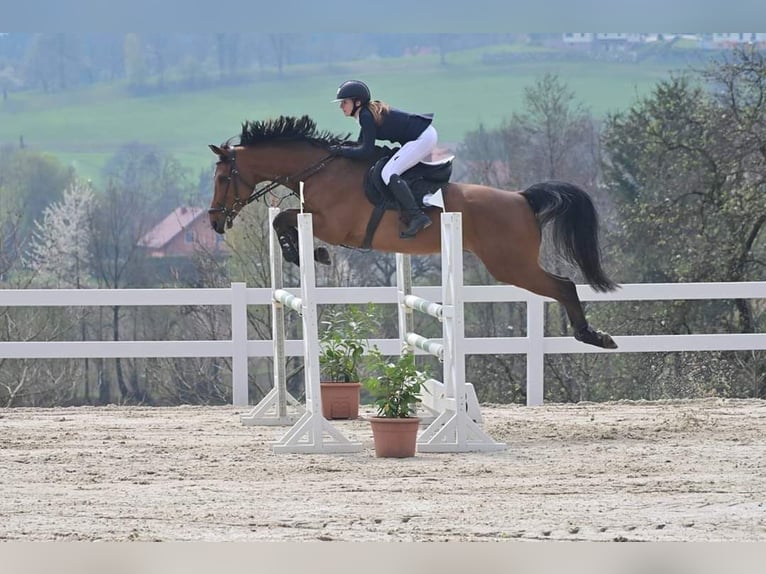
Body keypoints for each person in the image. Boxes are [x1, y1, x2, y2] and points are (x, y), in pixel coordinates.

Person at [329, 80, 435, 239]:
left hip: (422, 138)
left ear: (357, 102)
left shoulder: (366, 116)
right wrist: (340, 147)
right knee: (389, 170)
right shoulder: (364, 114)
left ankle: (417, 216)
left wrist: (341, 151)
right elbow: (360, 144)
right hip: (420, 136)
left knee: (388, 172)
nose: (341, 106)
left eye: (344, 102)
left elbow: (366, 150)